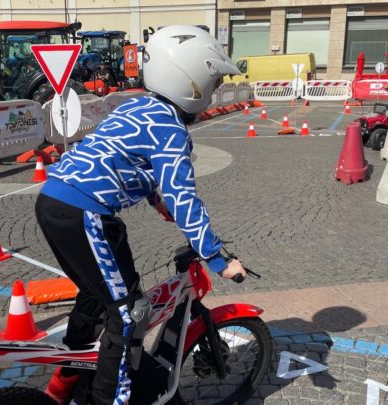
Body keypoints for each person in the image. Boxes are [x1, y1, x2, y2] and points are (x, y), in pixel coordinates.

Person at [35, 25, 246, 405]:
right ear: (192, 80)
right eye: (212, 82)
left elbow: (119, 155)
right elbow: (185, 199)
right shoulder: (172, 130)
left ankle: (65, 381)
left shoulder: (137, 106)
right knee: (129, 313)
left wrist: (153, 198)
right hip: (87, 213)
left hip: (55, 201)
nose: (213, 91)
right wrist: (218, 258)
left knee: (97, 294)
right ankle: (108, 400)